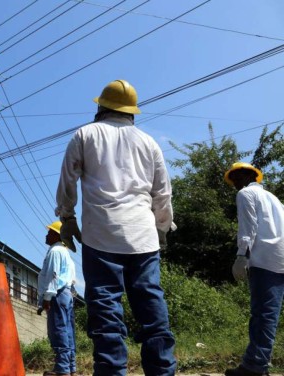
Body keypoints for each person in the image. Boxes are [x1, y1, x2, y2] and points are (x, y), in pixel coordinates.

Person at [55, 79, 176, 376]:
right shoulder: (149, 143)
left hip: (101, 235)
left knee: (106, 310)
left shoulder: (85, 134)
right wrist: (161, 227)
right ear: (131, 111)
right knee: (151, 306)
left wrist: (67, 217)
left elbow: (68, 179)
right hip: (143, 237)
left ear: (101, 106)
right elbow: (163, 193)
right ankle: (162, 371)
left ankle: (111, 371)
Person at [224, 162, 284, 376]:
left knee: (262, 316)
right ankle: (256, 363)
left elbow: (248, 227)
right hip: (280, 259)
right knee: (268, 315)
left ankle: (255, 367)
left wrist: (242, 255)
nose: (235, 183)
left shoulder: (245, 194)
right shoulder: (274, 198)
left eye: (237, 177)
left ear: (248, 176)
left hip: (264, 259)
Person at [38, 221, 78, 376]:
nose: (47, 235)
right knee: (68, 331)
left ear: (57, 235)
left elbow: (53, 276)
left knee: (58, 330)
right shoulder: (66, 253)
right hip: (67, 294)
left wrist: (47, 297)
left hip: (58, 294)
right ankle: (70, 367)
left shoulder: (55, 251)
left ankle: (62, 369)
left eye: (50, 232)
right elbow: (72, 279)